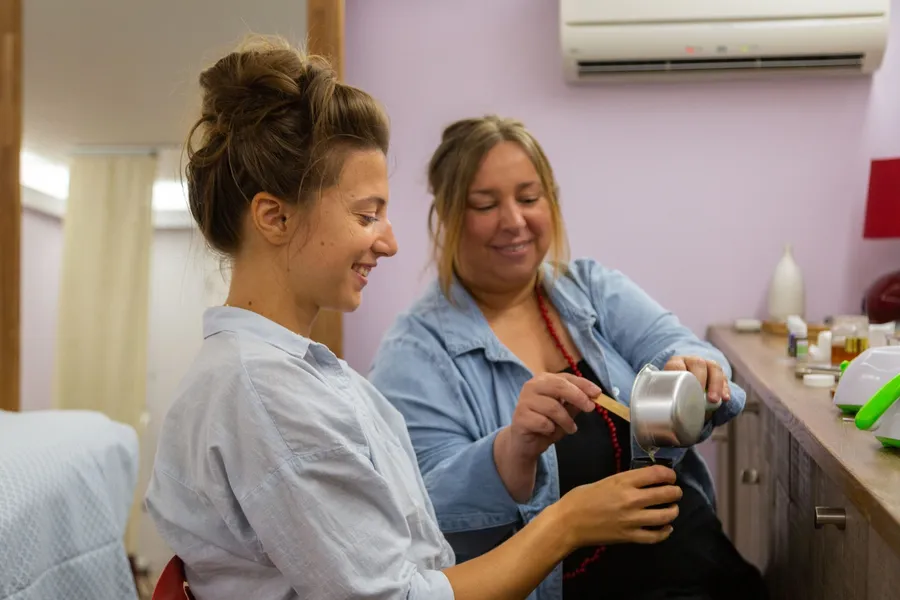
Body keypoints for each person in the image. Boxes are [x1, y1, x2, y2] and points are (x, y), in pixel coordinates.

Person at [144, 39, 686, 600]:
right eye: (366, 215)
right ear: (275, 217)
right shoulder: (265, 394)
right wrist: (564, 524)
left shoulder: (300, 377)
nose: (390, 242)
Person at [368, 115, 770, 600]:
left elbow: (685, 350)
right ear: (449, 216)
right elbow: (422, 509)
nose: (514, 220)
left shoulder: (591, 290)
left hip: (702, 568)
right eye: (485, 204)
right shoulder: (416, 351)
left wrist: (699, 371)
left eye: (529, 198)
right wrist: (511, 448)